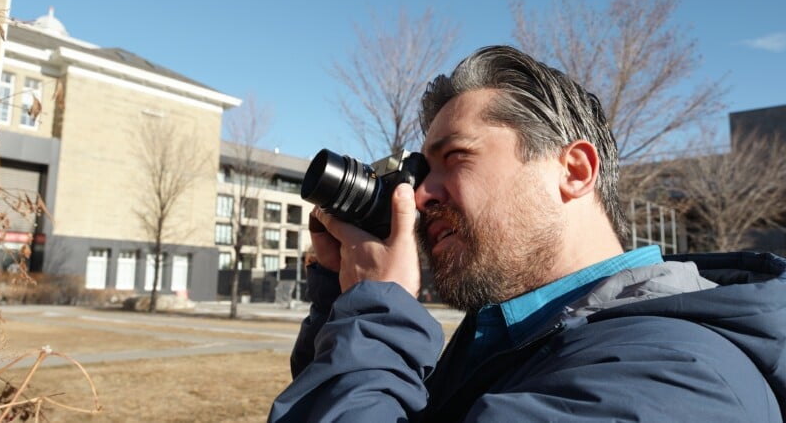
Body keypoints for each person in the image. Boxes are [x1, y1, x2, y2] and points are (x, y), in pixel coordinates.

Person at [269, 45, 786, 422]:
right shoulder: (516, 341)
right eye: (422, 173)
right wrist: (338, 300)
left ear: (575, 170)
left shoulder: (670, 378)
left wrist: (376, 310)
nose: (422, 196)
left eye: (456, 158)